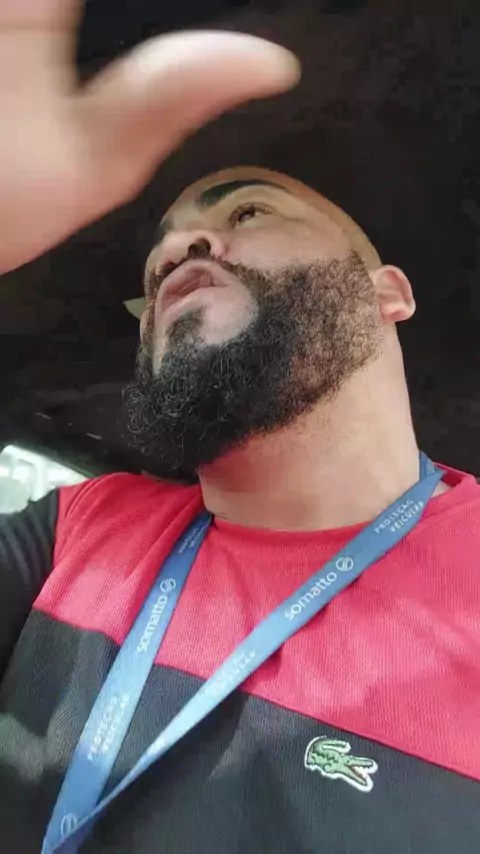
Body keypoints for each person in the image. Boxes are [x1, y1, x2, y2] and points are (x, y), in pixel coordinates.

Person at [0, 2, 479, 853]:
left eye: (249, 213)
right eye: (161, 257)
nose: (179, 250)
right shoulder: (81, 525)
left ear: (387, 293)